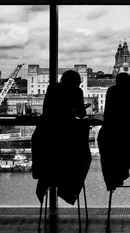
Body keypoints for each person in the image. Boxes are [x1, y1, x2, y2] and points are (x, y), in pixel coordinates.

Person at [32, 70, 91, 205]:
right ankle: (69, 191)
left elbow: (47, 109)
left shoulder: (52, 88)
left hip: (49, 148)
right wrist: (77, 109)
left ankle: (47, 183)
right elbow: (81, 115)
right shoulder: (77, 91)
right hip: (68, 142)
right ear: (77, 81)